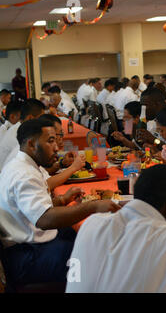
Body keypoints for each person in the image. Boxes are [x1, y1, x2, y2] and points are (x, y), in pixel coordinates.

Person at [0, 119, 120, 288]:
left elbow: (30, 208)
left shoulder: (22, 165)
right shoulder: (23, 174)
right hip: (27, 256)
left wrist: (64, 200)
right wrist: (92, 206)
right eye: (50, 141)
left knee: (83, 234)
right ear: (32, 144)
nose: (57, 147)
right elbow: (45, 219)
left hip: (29, 242)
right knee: (95, 257)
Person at [0, 98, 45, 172]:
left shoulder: (19, 128)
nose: (42, 122)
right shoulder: (19, 134)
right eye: (41, 118)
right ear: (30, 118)